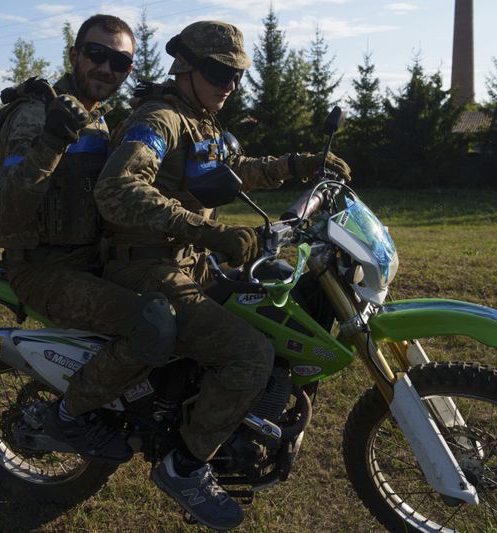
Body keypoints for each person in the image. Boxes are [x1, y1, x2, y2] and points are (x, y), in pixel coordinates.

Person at [93, 20, 352, 530]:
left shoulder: (201, 119)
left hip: (191, 261)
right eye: (218, 71)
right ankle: (184, 466)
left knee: (273, 312)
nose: (230, 84)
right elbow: (117, 187)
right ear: (185, 66)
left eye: (236, 74)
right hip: (145, 264)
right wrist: (208, 233)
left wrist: (298, 165)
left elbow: (234, 170)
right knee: (248, 352)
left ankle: (218, 411)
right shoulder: (160, 118)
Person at [0, 14, 177, 463]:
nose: (106, 69)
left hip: (95, 258)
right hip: (43, 267)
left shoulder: (99, 120)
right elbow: (3, 216)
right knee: (149, 324)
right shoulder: (37, 115)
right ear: (74, 55)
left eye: (120, 62)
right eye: (96, 54)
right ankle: (68, 418)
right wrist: (51, 141)